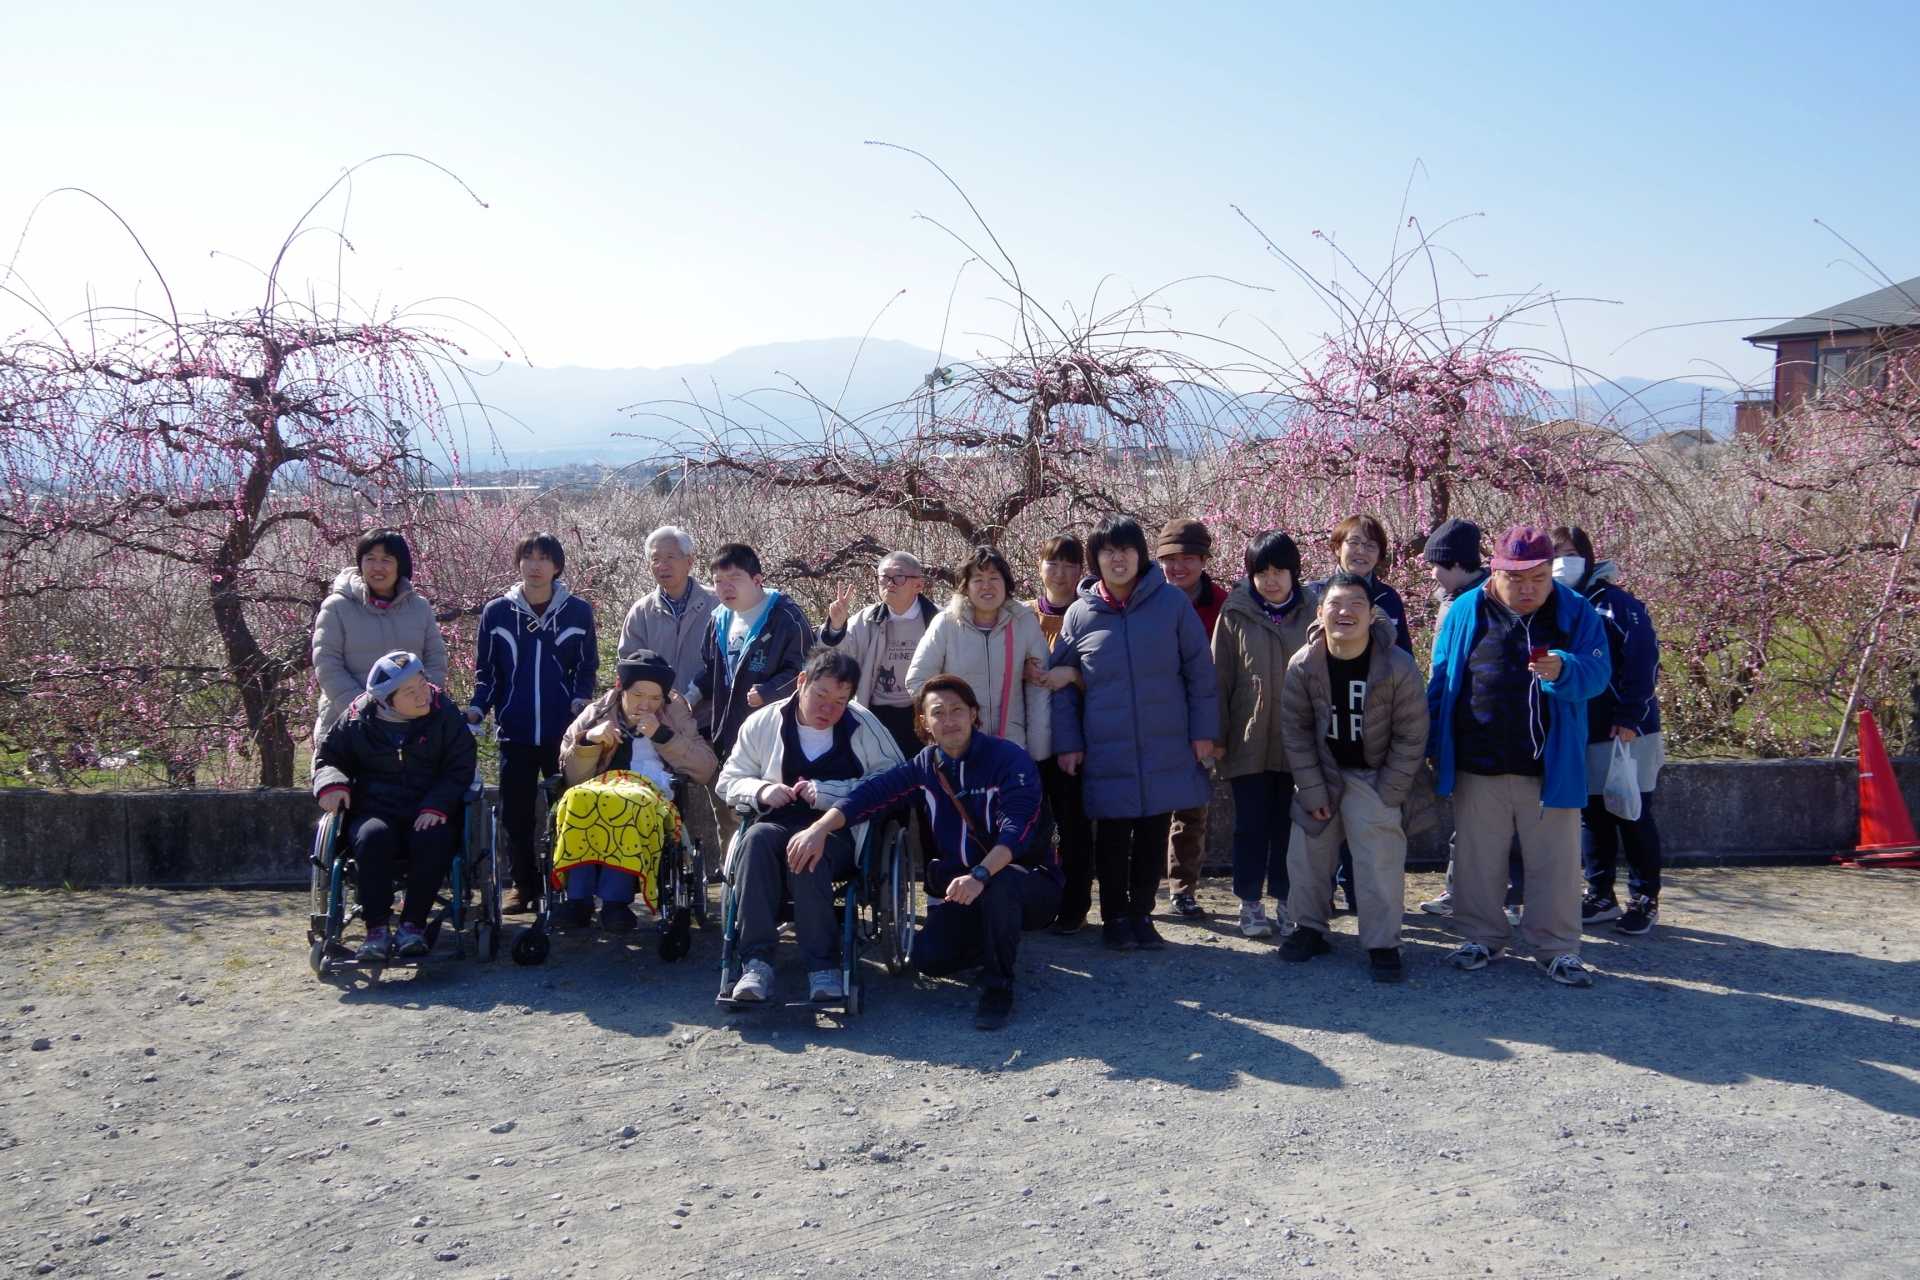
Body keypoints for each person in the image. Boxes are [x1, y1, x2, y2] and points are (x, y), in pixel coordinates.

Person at [788, 675, 1056, 1030]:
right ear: (923, 723)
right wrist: (818, 829)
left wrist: (980, 874)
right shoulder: (925, 765)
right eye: (938, 713)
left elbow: (1017, 830)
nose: (949, 721)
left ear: (974, 714)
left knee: (1000, 886)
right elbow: (869, 796)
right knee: (929, 959)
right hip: (965, 888)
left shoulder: (1008, 758)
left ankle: (998, 987)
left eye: (958, 710)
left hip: (1026, 881)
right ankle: (994, 938)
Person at [1427, 525, 1610, 987]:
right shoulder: (1465, 610)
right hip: (1478, 760)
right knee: (1476, 857)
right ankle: (1480, 936)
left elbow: (1598, 674)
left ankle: (1556, 947)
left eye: (1539, 578)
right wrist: (1434, 744)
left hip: (1548, 763)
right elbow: (1441, 679)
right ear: (1496, 571)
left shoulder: (1576, 612)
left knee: (1556, 863)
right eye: (1517, 579)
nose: (1528, 589)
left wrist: (1564, 668)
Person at [1050, 516, 1219, 952]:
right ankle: (1114, 917)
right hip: (1107, 748)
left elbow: (1200, 673)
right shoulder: (1080, 614)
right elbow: (1062, 687)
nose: (1117, 558)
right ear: (1097, 559)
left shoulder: (1171, 604)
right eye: (1108, 551)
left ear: (1140, 555)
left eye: (1125, 549)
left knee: (1152, 831)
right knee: (1111, 836)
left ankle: (1142, 914)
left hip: (1164, 741)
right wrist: (1068, 743)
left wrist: (1204, 732)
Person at [714, 649, 905, 1003]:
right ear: (802, 682)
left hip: (839, 831)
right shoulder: (764, 722)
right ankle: (755, 963)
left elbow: (894, 778)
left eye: (839, 701)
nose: (828, 709)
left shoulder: (862, 724)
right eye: (821, 695)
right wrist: (762, 789)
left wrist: (830, 793)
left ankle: (823, 967)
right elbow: (728, 781)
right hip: (775, 822)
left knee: (808, 855)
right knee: (754, 841)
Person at [1277, 574, 1429, 980]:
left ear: (1371, 614)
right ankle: (1308, 928)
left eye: (1355, 605)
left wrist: (1390, 791)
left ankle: (1382, 943)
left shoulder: (1397, 664)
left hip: (1374, 773)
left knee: (1378, 856)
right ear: (1320, 612)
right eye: (1335, 604)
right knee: (1307, 850)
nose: (1345, 613)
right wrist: (1310, 789)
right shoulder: (1304, 664)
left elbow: (1412, 733)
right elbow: (1295, 730)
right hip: (1323, 771)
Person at [312, 651, 476, 961]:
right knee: (373, 838)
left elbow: (461, 766)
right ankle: (376, 929)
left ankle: (411, 926)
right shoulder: (358, 719)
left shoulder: (445, 715)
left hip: (428, 807)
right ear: (387, 700)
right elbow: (328, 758)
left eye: (423, 685)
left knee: (434, 838)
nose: (422, 696)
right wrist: (332, 784)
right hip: (375, 809)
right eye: (410, 692)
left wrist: (437, 805)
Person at [467, 532, 599, 915]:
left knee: (571, 810)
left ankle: (572, 886)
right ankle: (522, 887)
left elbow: (586, 667)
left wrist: (581, 701)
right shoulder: (497, 613)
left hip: (565, 734)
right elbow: (486, 673)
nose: (535, 565)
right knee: (516, 815)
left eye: (544, 558)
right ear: (518, 563)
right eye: (528, 556)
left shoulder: (577, 611)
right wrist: (478, 708)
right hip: (516, 731)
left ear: (557, 566)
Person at [553, 650, 719, 930]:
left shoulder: (674, 714)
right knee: (576, 799)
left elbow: (705, 768)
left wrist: (663, 736)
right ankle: (577, 899)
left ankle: (615, 902)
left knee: (628, 801)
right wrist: (589, 741)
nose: (646, 705)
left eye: (655, 698)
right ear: (621, 687)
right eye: (639, 695)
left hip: (650, 793)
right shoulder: (597, 712)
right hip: (600, 788)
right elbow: (571, 777)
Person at [1552, 526, 1665, 936]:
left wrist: (1631, 716)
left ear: (1587, 555)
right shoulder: (1557, 604)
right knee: (1592, 817)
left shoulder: (1618, 605)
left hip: (1625, 731)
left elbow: (1642, 661)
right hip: (1582, 731)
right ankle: (1599, 893)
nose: (1562, 561)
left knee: (1632, 815)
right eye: (1555, 553)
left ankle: (1645, 897)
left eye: (1569, 552)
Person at [1212, 531, 1319, 939]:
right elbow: (1218, 679)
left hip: (1300, 743)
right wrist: (1217, 735)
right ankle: (1249, 902)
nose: (1271, 580)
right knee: (1250, 825)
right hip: (1248, 739)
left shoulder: (1315, 610)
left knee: (1290, 827)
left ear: (1295, 572)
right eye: (1262, 572)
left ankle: (1287, 899)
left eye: (1279, 571)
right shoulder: (1235, 612)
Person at [1414, 518, 1522, 921]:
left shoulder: (1489, 600)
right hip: (1458, 727)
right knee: (1468, 819)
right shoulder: (1452, 599)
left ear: (1456, 563)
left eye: (1435, 564)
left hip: (1487, 728)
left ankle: (1505, 898)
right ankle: (1459, 890)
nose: (1430, 572)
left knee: (1498, 822)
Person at [691, 542, 816, 848]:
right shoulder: (718, 619)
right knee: (730, 810)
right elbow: (711, 671)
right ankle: (733, 880)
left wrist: (770, 691)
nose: (725, 588)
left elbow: (807, 669)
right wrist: (689, 695)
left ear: (757, 579)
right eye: (718, 581)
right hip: (728, 734)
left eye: (734, 579)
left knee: (772, 815)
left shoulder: (786, 616)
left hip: (776, 737)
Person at [905, 547, 1052, 762]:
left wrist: (1039, 750)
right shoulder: (946, 624)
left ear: (1006, 583)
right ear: (966, 587)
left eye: (994, 578)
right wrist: (947, 719)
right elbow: (917, 681)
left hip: (1011, 747)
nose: (987, 586)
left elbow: (1040, 685)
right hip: (958, 749)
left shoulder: (1023, 621)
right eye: (978, 579)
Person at [1155, 518, 1230, 919]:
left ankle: (1183, 888)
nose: (1178, 567)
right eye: (1169, 559)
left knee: (1191, 809)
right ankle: (1140, 888)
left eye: (1187, 558)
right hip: (1153, 718)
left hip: (1200, 719)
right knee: (1146, 811)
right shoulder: (1146, 598)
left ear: (1203, 560)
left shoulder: (1223, 604)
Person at [311, 529, 449, 743]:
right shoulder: (337, 607)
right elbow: (327, 665)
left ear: (400, 565)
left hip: (412, 723)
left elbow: (435, 659)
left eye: (386, 560)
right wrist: (363, 709)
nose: (377, 567)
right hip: (350, 722)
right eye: (370, 559)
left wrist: (418, 700)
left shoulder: (419, 607)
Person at [1030, 535, 1095, 935]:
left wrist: (1072, 675)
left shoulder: (1091, 614)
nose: (1061, 573)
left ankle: (1075, 907)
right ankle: (1034, 903)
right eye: (1053, 563)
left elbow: (1111, 674)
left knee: (1074, 827)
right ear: (1040, 567)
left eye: (1071, 565)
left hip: (1077, 740)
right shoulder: (1021, 616)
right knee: (1031, 826)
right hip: (1029, 738)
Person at [819, 550, 939, 760]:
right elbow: (836, 662)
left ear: (918, 585)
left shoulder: (938, 620)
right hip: (877, 714)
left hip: (923, 713)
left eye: (899, 577)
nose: (889, 583)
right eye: (884, 577)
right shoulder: (866, 620)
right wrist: (836, 627)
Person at [618, 525, 717, 701]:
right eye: (655, 559)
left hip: (707, 717)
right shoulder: (641, 612)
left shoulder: (716, 604)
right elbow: (630, 665)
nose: (662, 566)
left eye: (670, 557)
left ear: (689, 562)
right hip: (657, 718)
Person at [1318, 514, 1412, 654]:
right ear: (1337, 548)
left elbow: (1404, 652)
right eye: (1354, 542)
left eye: (1371, 546)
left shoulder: (1388, 597)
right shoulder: (1315, 592)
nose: (1361, 551)